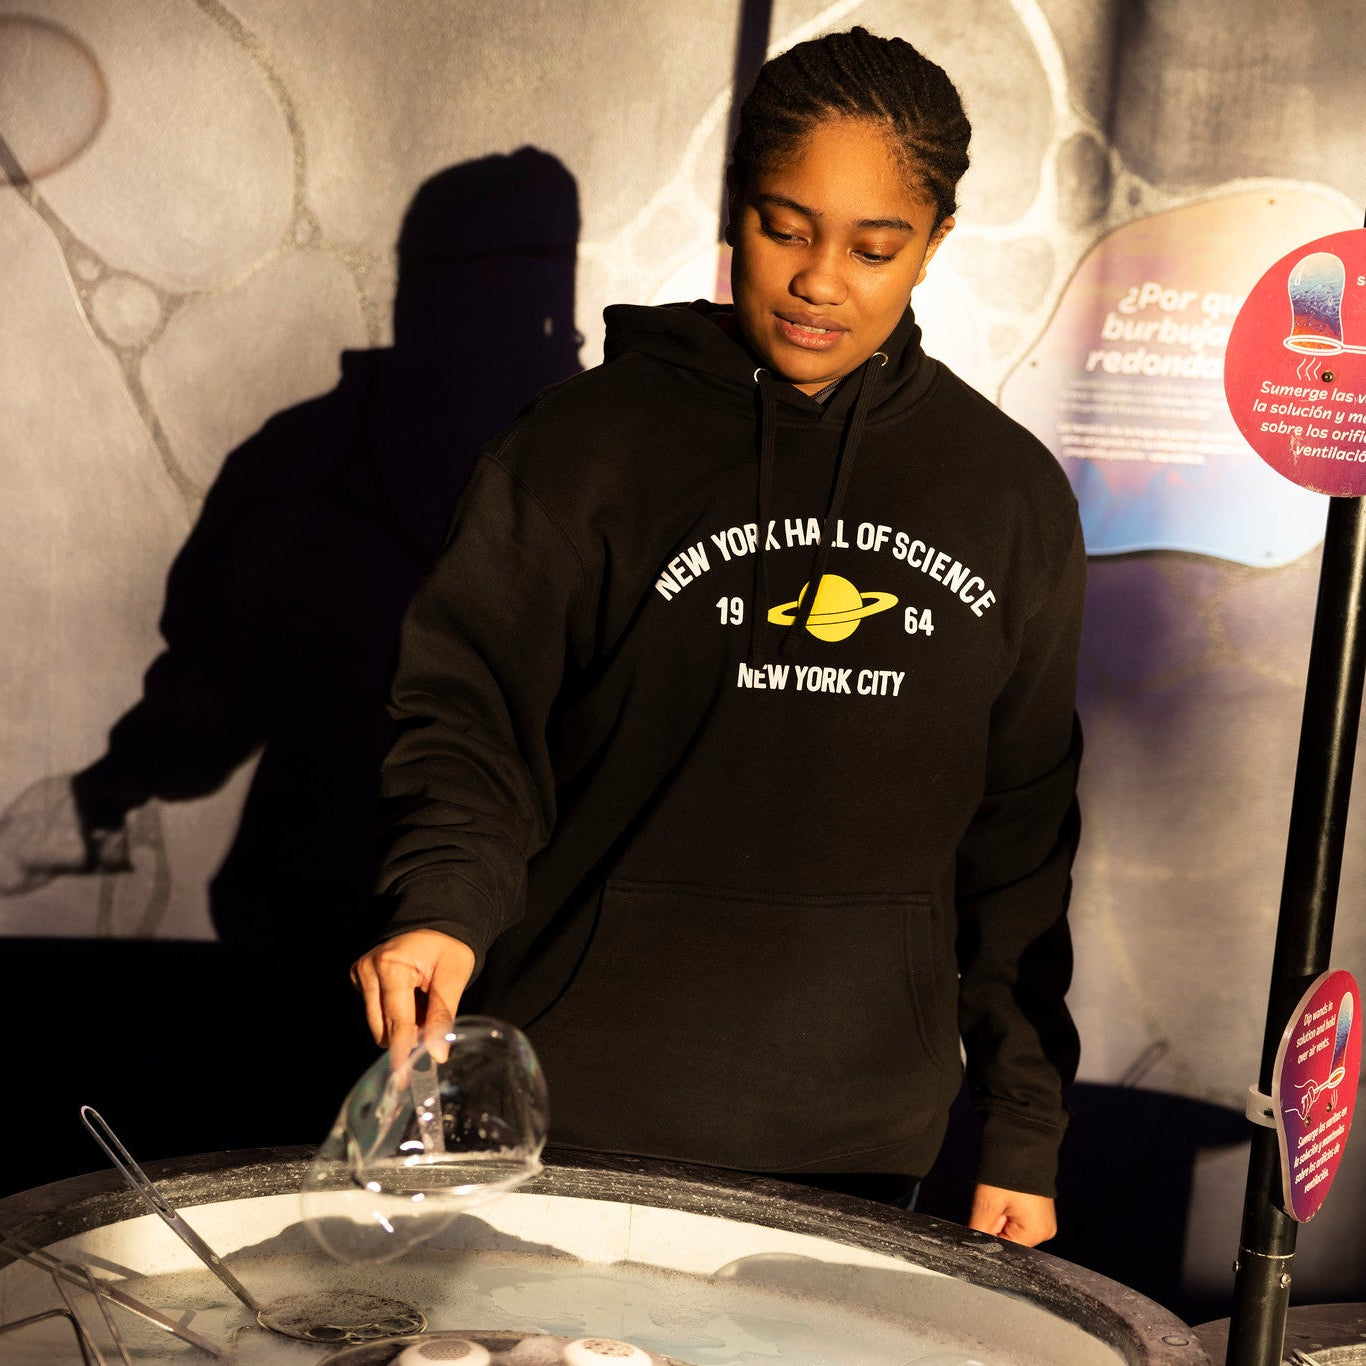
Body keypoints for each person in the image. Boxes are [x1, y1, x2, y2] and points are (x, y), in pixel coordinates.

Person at [353, 27, 1083, 1248]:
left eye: (874, 247)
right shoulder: (579, 450)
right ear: (735, 211)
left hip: (855, 1143)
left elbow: (1021, 837)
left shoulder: (1005, 495)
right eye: (785, 228)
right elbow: (471, 722)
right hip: (564, 1115)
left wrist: (1021, 1122)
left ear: (935, 245)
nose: (819, 280)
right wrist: (442, 906)